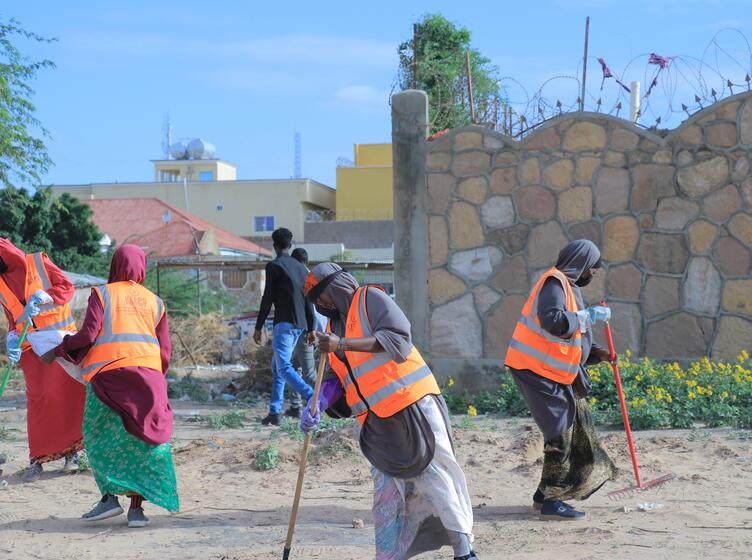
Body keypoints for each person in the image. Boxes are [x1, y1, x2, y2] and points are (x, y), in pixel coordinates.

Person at [301, 263, 478, 560]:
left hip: (413, 409)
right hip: (377, 425)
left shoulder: (370, 299)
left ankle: (465, 552)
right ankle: (389, 555)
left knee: (436, 479)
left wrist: (342, 344)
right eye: (315, 301)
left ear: (337, 286)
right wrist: (315, 404)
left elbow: (398, 340)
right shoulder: (332, 330)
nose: (320, 304)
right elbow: (335, 383)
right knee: (387, 493)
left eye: (322, 295)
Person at [47, 245, 179, 527]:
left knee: (95, 435)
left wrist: (60, 348)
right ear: (141, 267)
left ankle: (108, 498)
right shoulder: (155, 301)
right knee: (141, 443)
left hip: (109, 378)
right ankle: (136, 511)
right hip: (148, 379)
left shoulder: (102, 294)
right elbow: (165, 350)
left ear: (115, 265)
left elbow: (87, 334)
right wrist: (155, 379)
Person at [504, 239, 617, 520]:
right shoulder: (554, 283)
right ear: (581, 264)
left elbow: (567, 341)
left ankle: (544, 496)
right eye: (592, 268)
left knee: (575, 427)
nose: (593, 274)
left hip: (549, 371)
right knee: (560, 432)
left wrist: (596, 354)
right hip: (535, 370)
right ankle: (553, 501)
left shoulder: (568, 287)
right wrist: (589, 316)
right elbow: (554, 321)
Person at [0, 238, 84, 482]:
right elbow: (12, 317)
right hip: (31, 349)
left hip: (60, 342)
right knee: (39, 399)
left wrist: (44, 297)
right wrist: (12, 340)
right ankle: (37, 458)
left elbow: (66, 287)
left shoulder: (38, 262)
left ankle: (72, 453)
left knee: (69, 395)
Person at [254, 228, 314, 426]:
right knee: (277, 366)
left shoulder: (274, 266)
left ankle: (312, 396)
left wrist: (258, 326)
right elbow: (308, 300)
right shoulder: (300, 268)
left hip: (285, 323)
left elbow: (268, 297)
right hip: (300, 325)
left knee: (284, 367)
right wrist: (311, 327)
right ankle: (275, 412)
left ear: (274, 246)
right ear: (291, 244)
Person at [283, 247, 327, 418]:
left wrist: (311, 331)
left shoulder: (303, 278)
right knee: (295, 367)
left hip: (308, 331)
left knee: (309, 372)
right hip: (311, 329)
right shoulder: (312, 277)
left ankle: (324, 404)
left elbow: (310, 309)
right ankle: (295, 406)